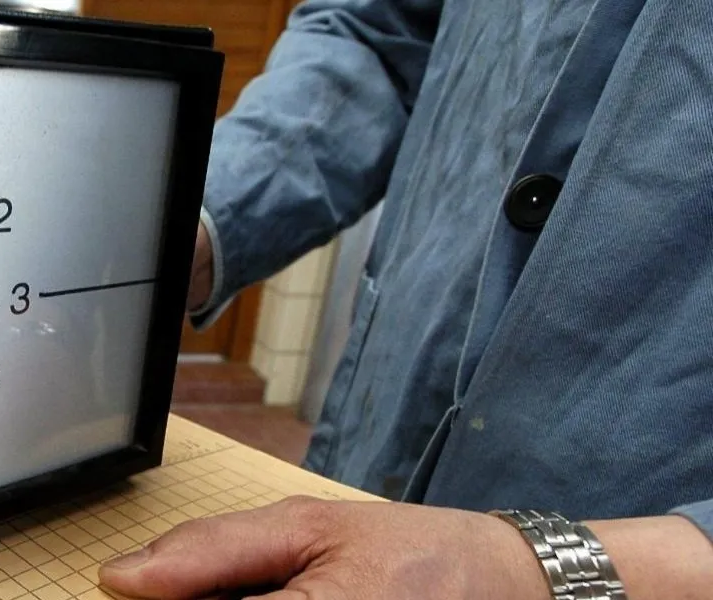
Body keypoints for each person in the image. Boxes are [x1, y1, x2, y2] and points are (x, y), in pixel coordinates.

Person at [96, 1, 713, 598]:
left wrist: (551, 573)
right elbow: (380, 38)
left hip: (637, 523)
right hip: (385, 423)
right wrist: (193, 225)